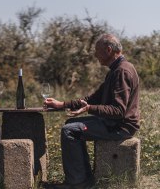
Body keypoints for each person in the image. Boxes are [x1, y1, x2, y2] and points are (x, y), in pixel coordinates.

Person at [45, 34, 140, 189]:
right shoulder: (115, 70)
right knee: (71, 124)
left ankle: (77, 183)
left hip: (119, 127)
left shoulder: (121, 72)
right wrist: (62, 104)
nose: (95, 54)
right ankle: (84, 178)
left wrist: (89, 109)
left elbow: (118, 110)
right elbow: (93, 98)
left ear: (109, 50)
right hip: (113, 123)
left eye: (97, 50)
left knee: (69, 131)